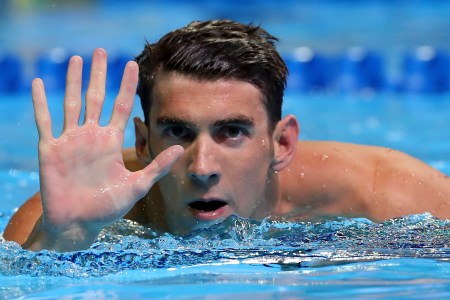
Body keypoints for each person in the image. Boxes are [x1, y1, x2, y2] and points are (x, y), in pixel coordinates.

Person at [4, 20, 450, 252]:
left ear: (281, 144)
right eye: (177, 132)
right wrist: (66, 242)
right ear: (143, 143)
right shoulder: (69, 210)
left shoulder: (382, 195)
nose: (202, 168)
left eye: (232, 132)